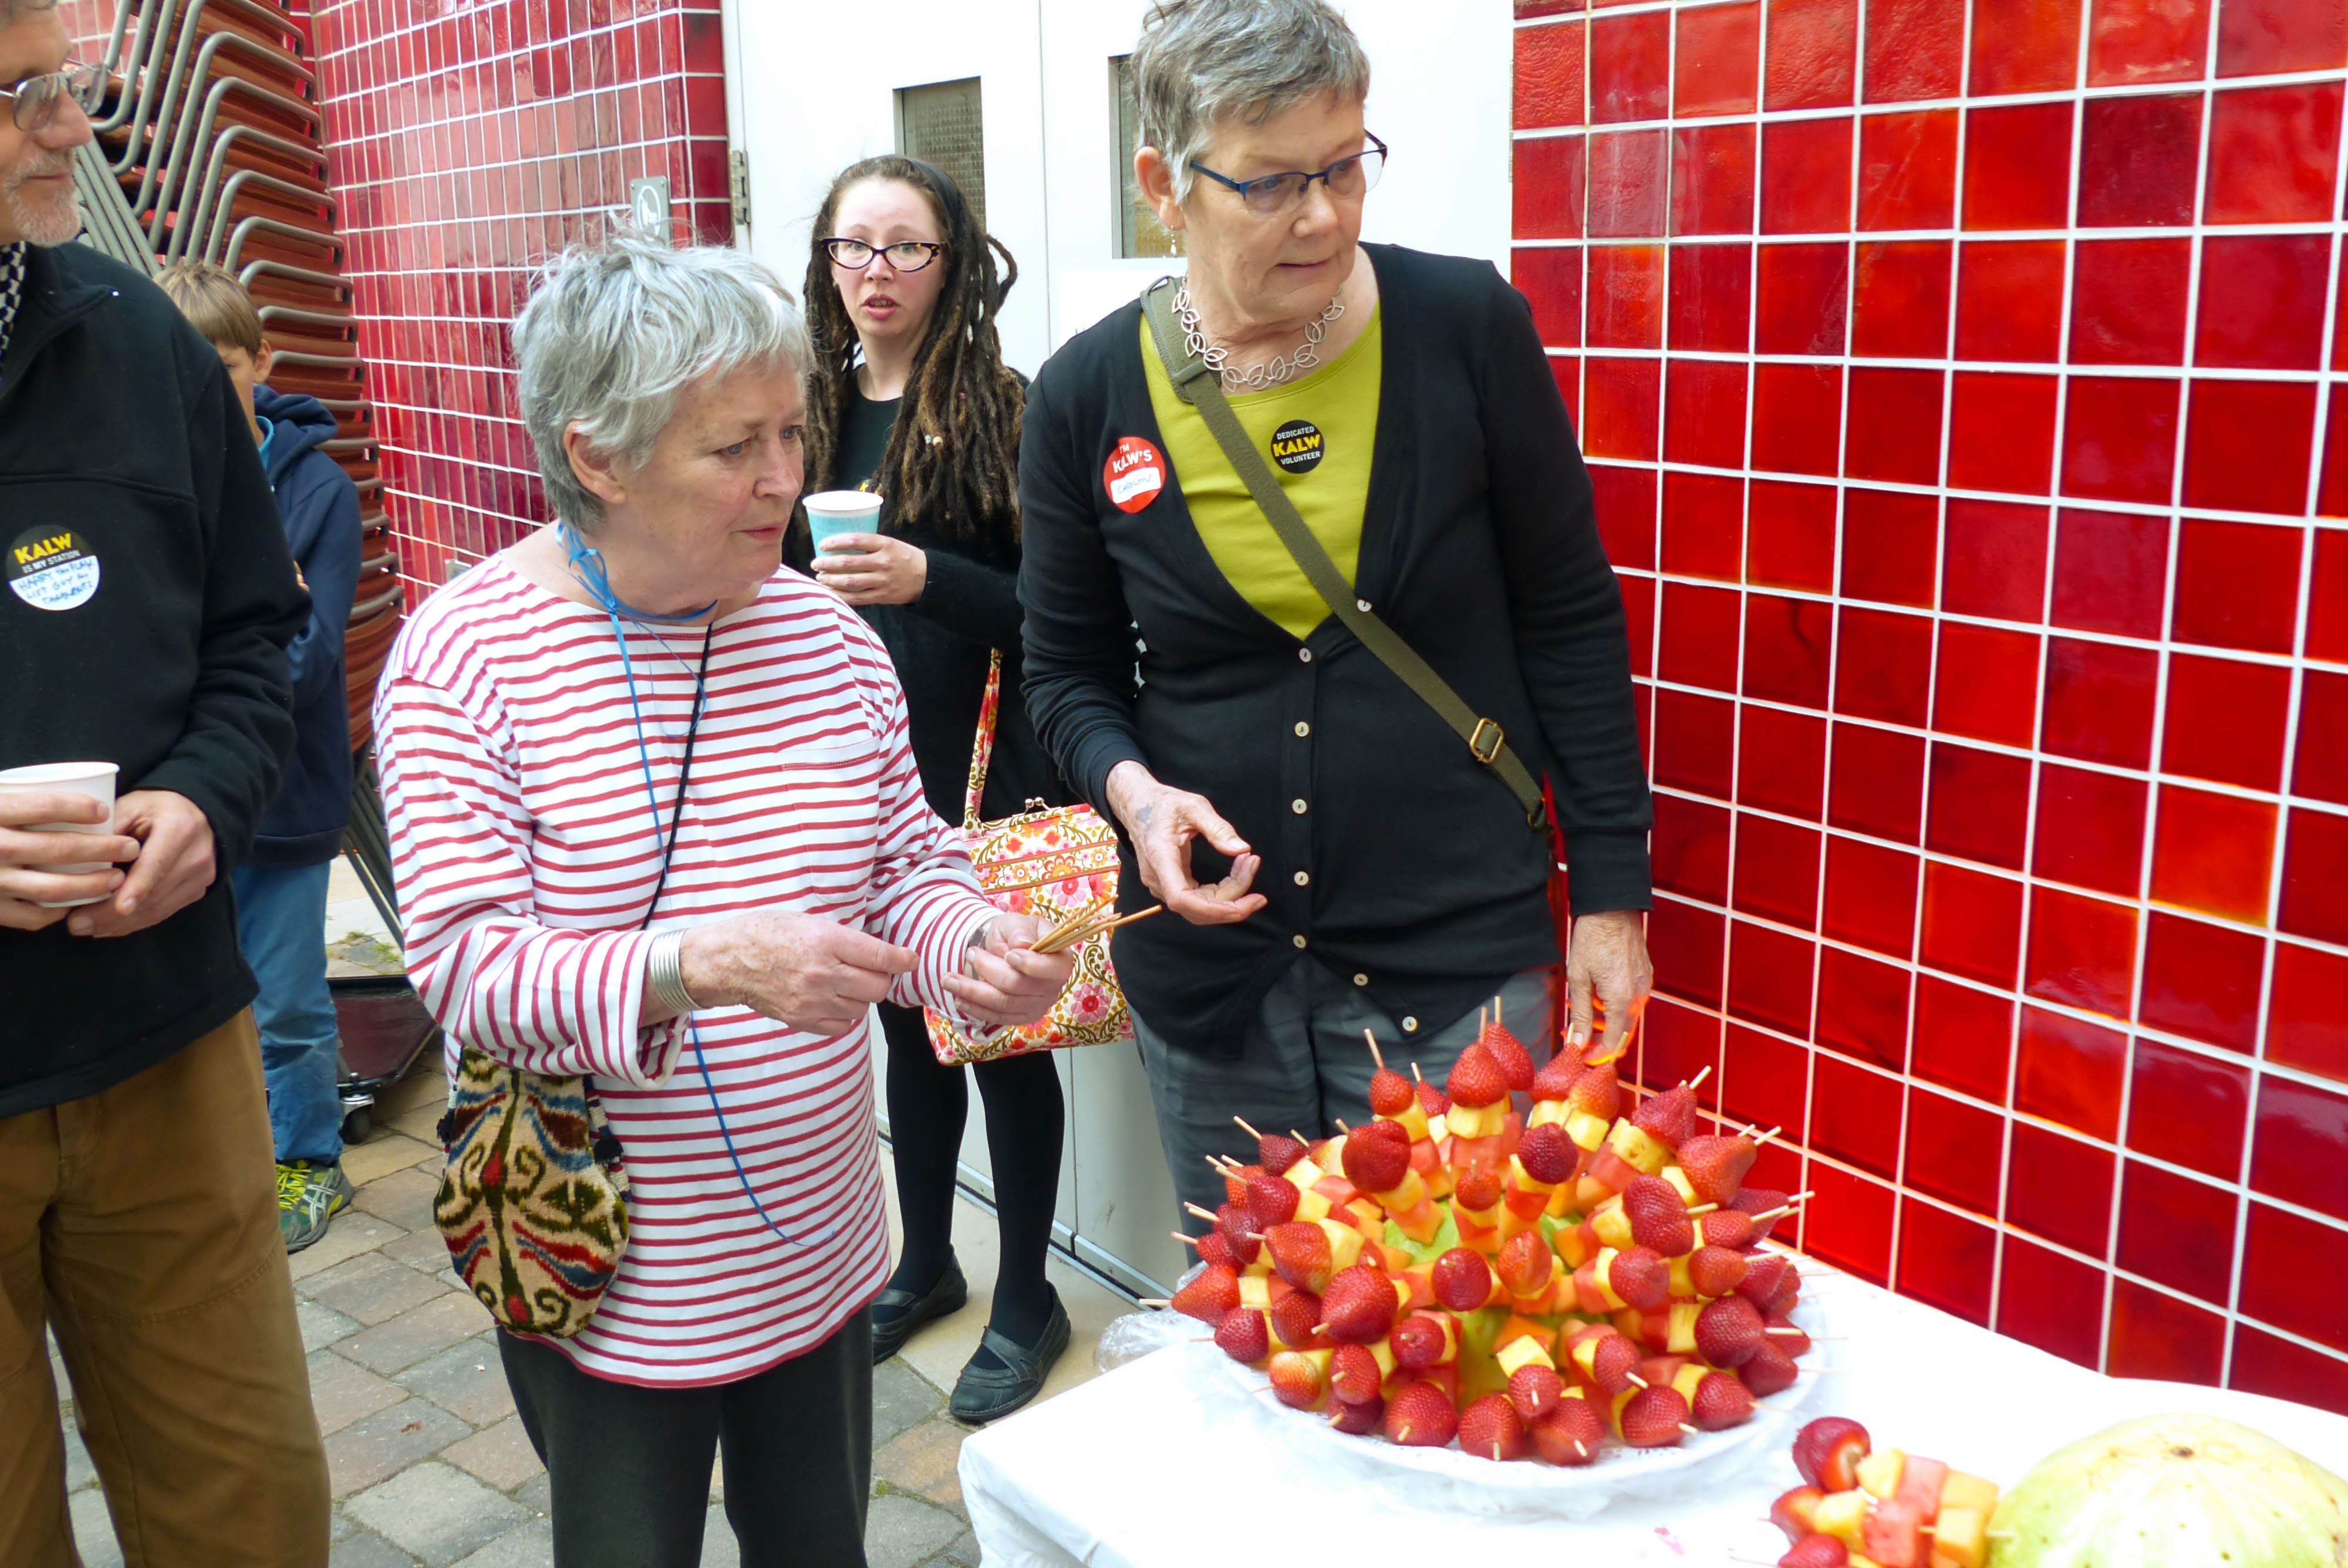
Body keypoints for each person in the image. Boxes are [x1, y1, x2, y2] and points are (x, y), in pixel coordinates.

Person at [373, 229, 1075, 1567]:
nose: (786, 480)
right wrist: (703, 965)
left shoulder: (827, 635)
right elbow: (465, 967)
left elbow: (903, 865)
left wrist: (972, 943)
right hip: (610, 1260)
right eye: (734, 446)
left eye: (793, 433)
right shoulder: (465, 659)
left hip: (819, 1243)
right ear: (597, 457)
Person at [1018, 0, 1657, 1227]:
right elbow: (1066, 674)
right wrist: (1134, 798)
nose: (1320, 214)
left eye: (1343, 166)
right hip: (1217, 980)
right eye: (1270, 183)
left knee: (1471, 1297)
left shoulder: (1463, 328)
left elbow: (1569, 615)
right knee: (1254, 1308)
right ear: (1163, 185)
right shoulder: (1085, 393)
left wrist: (1610, 897)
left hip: (1455, 963)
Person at [0, 4, 330, 1563]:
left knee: (248, 1515)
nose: (72, 127)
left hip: (166, 1052)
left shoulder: (143, 347)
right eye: (22, 94)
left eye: (66, 84)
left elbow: (256, 636)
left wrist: (203, 795)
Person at [790, 155, 1071, 1422]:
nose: (878, 271)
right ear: (825, 261)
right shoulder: (804, 407)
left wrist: (928, 578)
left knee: (1001, 1034)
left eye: (908, 247)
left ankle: (1029, 1296)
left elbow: (1061, 618)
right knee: (904, 1025)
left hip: (982, 774)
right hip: (856, 776)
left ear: (952, 264)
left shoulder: (1007, 411)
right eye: (855, 245)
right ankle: (928, 1262)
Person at [156, 259, 365, 1253]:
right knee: (203, 998)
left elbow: (307, 659)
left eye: (225, 368)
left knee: (285, 1000)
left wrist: (204, 646)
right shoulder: (153, 478)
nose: (204, 390)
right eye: (181, 371)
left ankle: (310, 1161)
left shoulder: (317, 489)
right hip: (179, 798)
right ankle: (235, 1156)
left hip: (283, 795)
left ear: (263, 362)